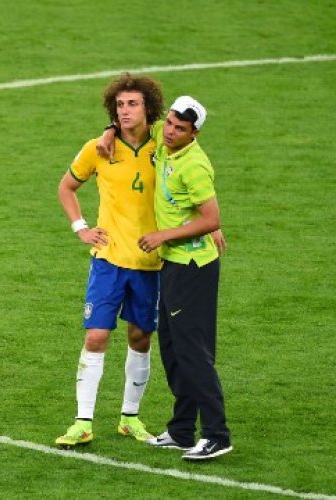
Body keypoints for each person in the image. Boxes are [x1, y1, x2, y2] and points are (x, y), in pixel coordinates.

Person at [101, 95, 233, 460]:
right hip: (173, 265)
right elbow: (133, 127)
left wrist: (162, 236)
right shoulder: (162, 134)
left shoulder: (194, 166)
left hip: (193, 268)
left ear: (195, 133)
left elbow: (212, 218)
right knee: (173, 351)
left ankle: (217, 434)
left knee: (193, 352)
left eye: (181, 129)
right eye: (171, 124)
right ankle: (181, 430)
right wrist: (108, 131)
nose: (172, 132)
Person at [54, 73, 165, 449]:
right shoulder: (98, 148)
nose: (125, 111)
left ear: (149, 108)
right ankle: (82, 422)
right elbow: (66, 187)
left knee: (140, 337)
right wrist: (81, 227)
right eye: (119, 105)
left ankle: (129, 417)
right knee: (97, 335)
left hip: (150, 263)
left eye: (133, 104)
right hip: (108, 260)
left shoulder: (164, 145)